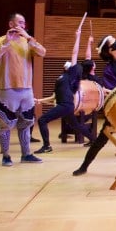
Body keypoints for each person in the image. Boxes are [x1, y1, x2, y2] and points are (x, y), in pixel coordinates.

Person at [73, 0, 116, 176]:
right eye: (112, 41)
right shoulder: (109, 71)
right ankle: (84, 166)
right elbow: (112, 93)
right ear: (109, 50)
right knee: (102, 138)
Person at [0, 13, 47, 166]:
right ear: (11, 24)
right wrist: (7, 43)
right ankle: (6, 156)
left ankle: (26, 154)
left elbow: (42, 52)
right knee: (6, 124)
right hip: (7, 88)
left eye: (24, 23)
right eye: (19, 22)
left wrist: (29, 38)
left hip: (26, 89)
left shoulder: (28, 41)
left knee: (26, 122)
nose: (22, 25)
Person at [35, 25, 96, 154]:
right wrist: (39, 100)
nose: (67, 63)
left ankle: (46, 146)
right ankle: (93, 140)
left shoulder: (70, 76)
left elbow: (74, 53)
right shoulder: (62, 78)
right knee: (76, 125)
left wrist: (77, 37)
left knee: (42, 120)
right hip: (65, 106)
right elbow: (54, 97)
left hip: (65, 105)